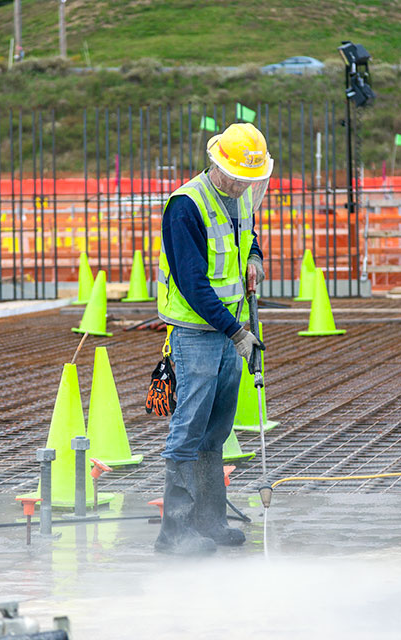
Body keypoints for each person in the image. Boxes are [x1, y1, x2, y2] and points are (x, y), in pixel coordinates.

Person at [154, 123, 272, 555]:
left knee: (215, 433)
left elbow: (247, 237)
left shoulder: (239, 199)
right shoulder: (186, 206)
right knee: (188, 430)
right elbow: (191, 282)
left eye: (251, 180)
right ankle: (175, 531)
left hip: (227, 332)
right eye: (241, 178)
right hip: (198, 334)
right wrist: (236, 331)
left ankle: (210, 522)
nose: (246, 186)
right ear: (220, 166)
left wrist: (255, 257)